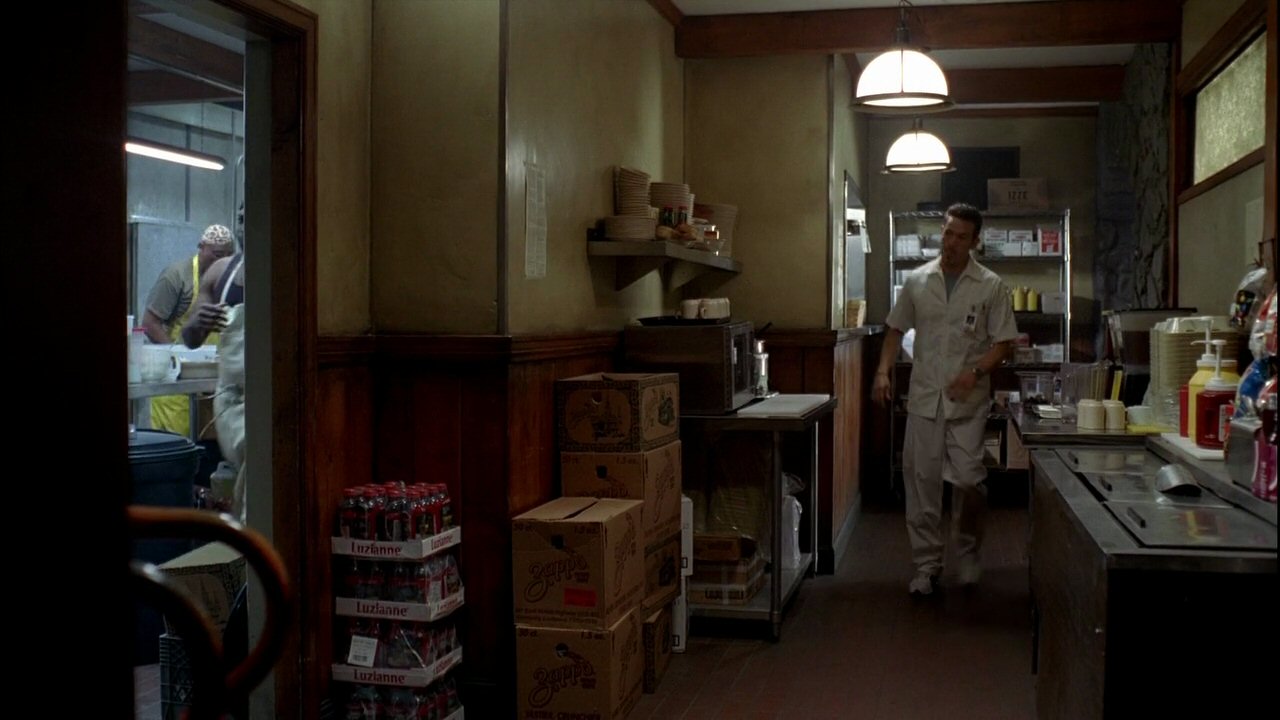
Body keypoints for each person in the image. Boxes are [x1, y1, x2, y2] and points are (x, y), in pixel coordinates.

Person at [873, 203, 1018, 596]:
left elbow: (1003, 343)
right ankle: (926, 566)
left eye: (961, 237)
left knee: (969, 480)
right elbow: (894, 329)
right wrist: (883, 371)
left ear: (975, 241)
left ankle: (968, 550)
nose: (951, 242)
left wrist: (975, 373)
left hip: (967, 402)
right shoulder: (918, 281)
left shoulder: (990, 285)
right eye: (948, 233)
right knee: (921, 483)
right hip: (924, 398)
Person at [142, 224, 236, 436]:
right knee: (178, 446)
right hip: (178, 385)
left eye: (229, 255)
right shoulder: (176, 276)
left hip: (212, 381)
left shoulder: (231, 280)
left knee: (209, 446)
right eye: (217, 255)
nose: (223, 261)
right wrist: (179, 357)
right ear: (201, 247)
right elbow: (149, 323)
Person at [183, 247, 246, 519]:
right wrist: (199, 321)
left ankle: (249, 532)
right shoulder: (221, 272)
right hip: (232, 402)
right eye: (242, 224)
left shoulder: (283, 270)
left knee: (257, 475)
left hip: (268, 394)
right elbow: (190, 337)